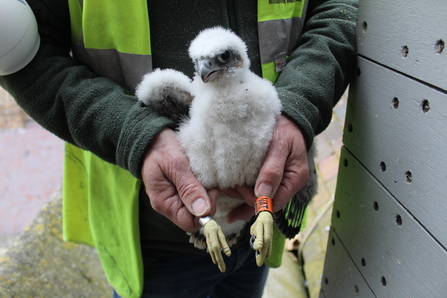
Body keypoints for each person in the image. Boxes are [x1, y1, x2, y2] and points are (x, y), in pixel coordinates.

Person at [0, 0, 358, 297]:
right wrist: (134, 134)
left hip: (262, 229)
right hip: (154, 242)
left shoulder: (262, 96)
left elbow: (339, 8)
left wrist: (299, 107)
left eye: (217, 61)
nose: (205, 71)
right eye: (201, 64)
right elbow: (16, 48)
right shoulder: (180, 91)